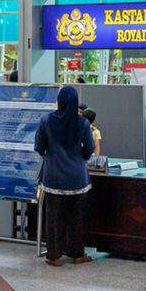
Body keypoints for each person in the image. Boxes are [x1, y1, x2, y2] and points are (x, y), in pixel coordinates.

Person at [34, 86, 95, 267]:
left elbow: (39, 147)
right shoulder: (82, 123)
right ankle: (77, 254)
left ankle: (53, 256)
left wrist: (50, 154)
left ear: (59, 101)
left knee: (53, 217)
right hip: (77, 177)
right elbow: (89, 149)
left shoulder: (46, 120)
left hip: (53, 176)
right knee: (77, 217)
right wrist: (80, 157)